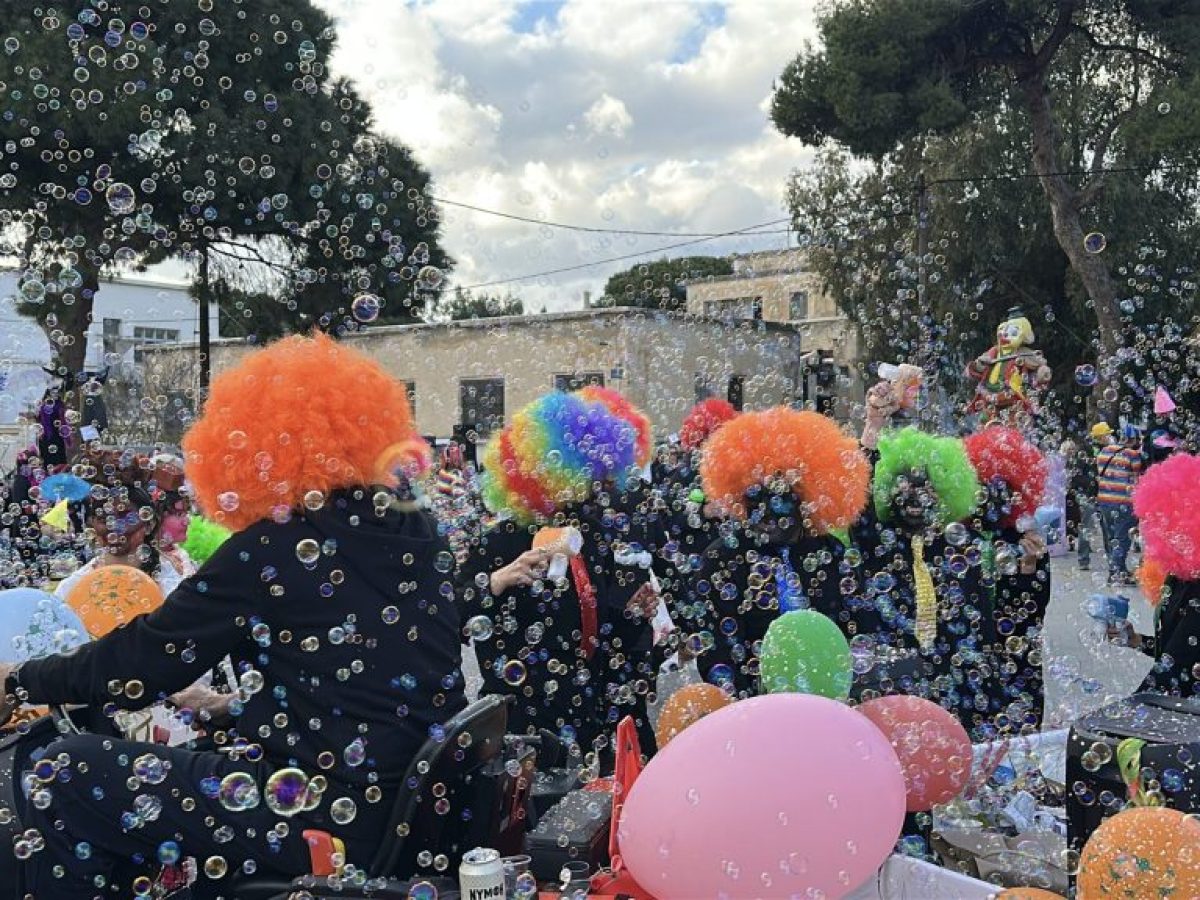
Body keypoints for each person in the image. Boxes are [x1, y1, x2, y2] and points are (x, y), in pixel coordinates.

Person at [0, 333, 466, 898]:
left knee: (63, 770)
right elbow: (362, 673)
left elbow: (145, 660)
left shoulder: (274, 548)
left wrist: (23, 680)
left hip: (320, 815)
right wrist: (235, 705)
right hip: (397, 813)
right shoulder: (418, 535)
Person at [457, 391, 654, 761]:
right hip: (524, 721)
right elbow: (451, 612)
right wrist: (496, 581)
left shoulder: (591, 537)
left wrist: (631, 615)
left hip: (586, 715)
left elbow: (603, 635)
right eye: (590, 475)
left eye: (601, 476)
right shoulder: (502, 540)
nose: (598, 486)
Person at [688, 407, 871, 698]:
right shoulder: (722, 559)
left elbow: (856, 623)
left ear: (805, 500)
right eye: (754, 499)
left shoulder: (832, 554)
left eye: (781, 499)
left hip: (828, 698)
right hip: (754, 702)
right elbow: (715, 647)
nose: (767, 512)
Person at [964, 427, 1051, 732]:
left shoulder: (1026, 542)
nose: (991, 494)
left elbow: (1034, 613)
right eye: (982, 485)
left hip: (1017, 663)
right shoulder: (957, 541)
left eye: (1002, 487)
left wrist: (1027, 571)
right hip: (971, 660)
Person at [1131, 453, 1200, 697]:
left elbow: (1175, 667)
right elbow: (1175, 650)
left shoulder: (1194, 590)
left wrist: (1127, 711)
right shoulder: (1180, 578)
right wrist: (1139, 641)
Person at [1095, 423, 1145, 584]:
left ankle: (1116, 569)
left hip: (1104, 500)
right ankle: (1116, 574)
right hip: (1124, 501)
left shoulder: (1104, 452)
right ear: (1134, 439)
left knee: (1110, 538)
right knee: (1122, 538)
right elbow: (1137, 474)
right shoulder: (1133, 454)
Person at [1060, 437, 1098, 571]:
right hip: (1086, 495)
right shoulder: (1084, 460)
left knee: (1085, 526)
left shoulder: (1075, 462)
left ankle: (1084, 558)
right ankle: (1084, 558)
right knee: (1086, 526)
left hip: (1082, 495)